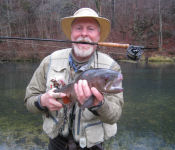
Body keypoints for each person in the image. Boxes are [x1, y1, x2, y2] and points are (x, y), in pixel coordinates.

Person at [24, 8, 124, 150]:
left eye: (91, 29)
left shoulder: (111, 68)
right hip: (56, 142)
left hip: (92, 145)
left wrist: (99, 104)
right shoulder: (49, 61)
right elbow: (29, 101)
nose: (84, 33)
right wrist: (42, 102)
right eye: (78, 28)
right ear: (71, 33)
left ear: (98, 36)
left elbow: (115, 115)